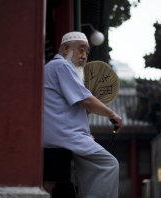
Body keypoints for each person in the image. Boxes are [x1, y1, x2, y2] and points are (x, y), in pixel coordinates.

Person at [43, 31, 123, 198]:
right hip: (65, 136)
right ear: (65, 49)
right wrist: (112, 114)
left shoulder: (53, 67)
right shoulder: (62, 66)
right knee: (109, 164)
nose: (84, 55)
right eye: (81, 50)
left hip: (61, 134)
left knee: (90, 169)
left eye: (87, 51)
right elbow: (86, 101)